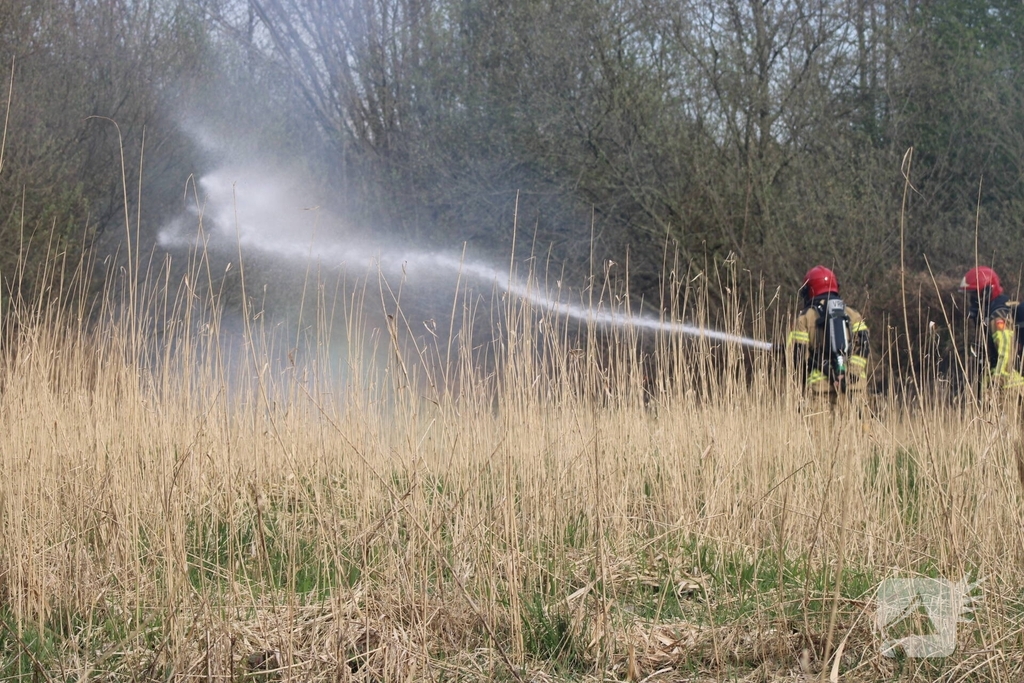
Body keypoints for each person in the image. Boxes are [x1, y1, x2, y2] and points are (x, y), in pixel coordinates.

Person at [787, 266, 870, 404]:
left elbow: (798, 356)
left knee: (819, 426)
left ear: (810, 291)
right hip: (854, 390)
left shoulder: (805, 318)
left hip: (821, 391)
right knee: (860, 426)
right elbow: (864, 345)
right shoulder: (853, 314)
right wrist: (851, 375)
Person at [959, 266, 1024, 396]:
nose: (972, 301)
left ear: (986, 292)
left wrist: (997, 380)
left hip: (1009, 388)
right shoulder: (1000, 308)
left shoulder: (997, 316)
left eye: (974, 295)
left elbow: (1006, 349)